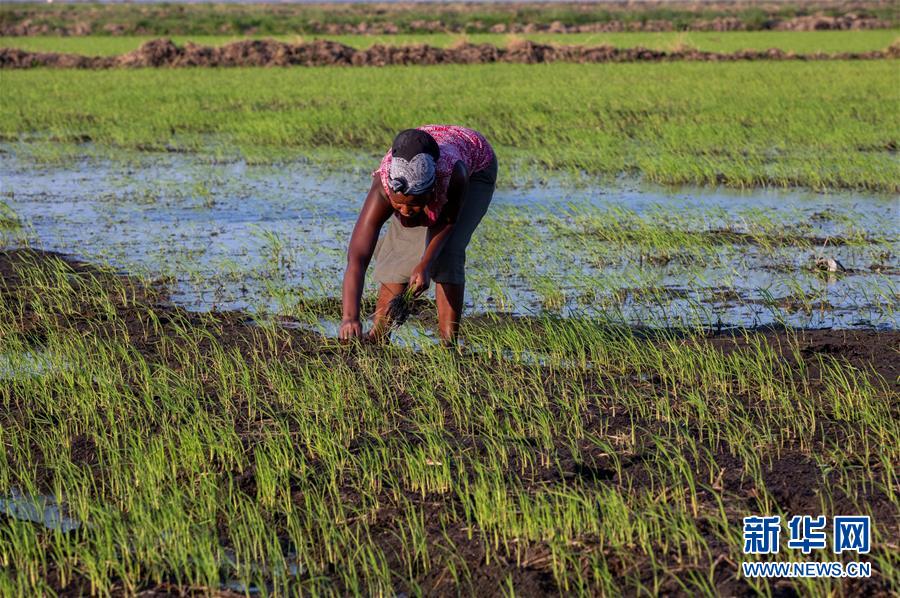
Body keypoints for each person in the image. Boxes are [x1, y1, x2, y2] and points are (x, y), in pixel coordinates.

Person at [339, 124, 498, 344]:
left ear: (430, 192)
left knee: (448, 252)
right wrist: (350, 317)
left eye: (413, 206)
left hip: (476, 168)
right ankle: (379, 336)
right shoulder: (384, 186)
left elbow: (448, 221)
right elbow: (357, 257)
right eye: (399, 204)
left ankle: (447, 346)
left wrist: (426, 262)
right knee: (399, 251)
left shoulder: (453, 174)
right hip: (428, 163)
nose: (404, 211)